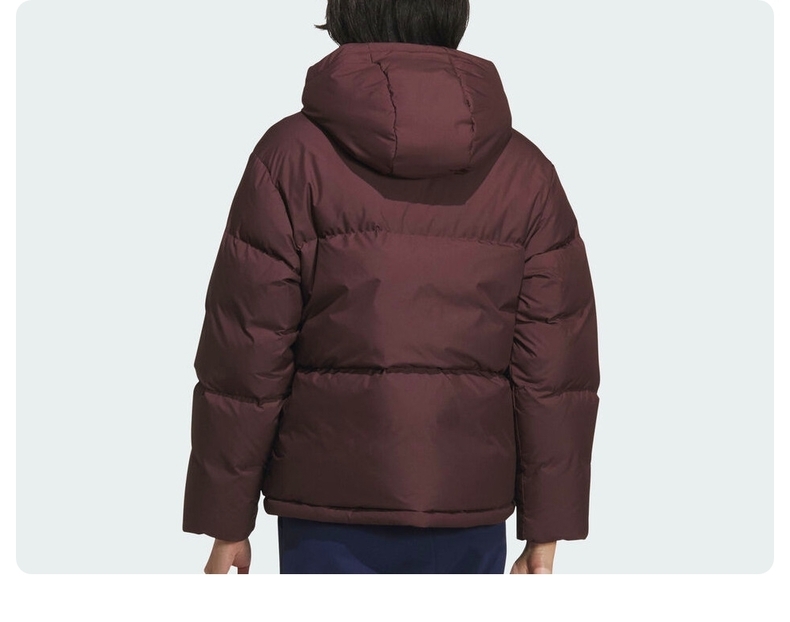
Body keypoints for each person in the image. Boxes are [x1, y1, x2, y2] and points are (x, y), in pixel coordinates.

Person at [183, 0, 600, 575]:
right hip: (468, 504)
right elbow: (554, 368)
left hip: (324, 508)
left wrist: (226, 520)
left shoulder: (289, 157)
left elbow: (246, 352)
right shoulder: (526, 173)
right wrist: (546, 530)